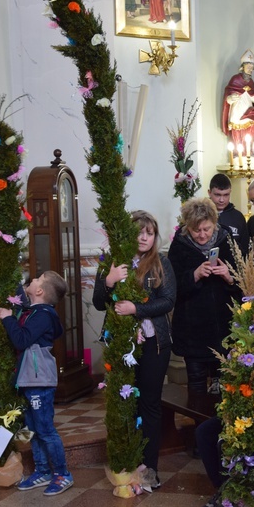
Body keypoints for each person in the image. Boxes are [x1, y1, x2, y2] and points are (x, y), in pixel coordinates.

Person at [91, 210, 176, 491]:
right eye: (139, 232)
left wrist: (136, 309)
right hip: (121, 344)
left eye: (149, 232)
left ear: (155, 237)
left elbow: (167, 300)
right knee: (124, 403)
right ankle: (126, 462)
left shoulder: (161, 262)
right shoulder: (113, 261)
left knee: (149, 403)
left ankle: (149, 467)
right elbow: (98, 302)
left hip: (154, 343)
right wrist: (109, 280)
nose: (144, 237)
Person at [0, 271, 73, 496]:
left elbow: (21, 339)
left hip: (40, 380)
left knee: (45, 429)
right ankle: (42, 470)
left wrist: (8, 318)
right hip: (29, 379)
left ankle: (62, 473)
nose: (32, 280)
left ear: (39, 291)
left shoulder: (43, 315)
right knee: (32, 429)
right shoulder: (34, 311)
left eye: (37, 279)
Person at [168, 198, 241, 394]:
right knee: (197, 381)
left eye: (207, 229)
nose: (202, 235)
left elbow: (243, 286)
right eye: (196, 230)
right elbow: (171, 286)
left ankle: (222, 424)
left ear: (214, 224)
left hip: (223, 326)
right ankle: (197, 424)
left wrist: (229, 276)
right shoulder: (179, 244)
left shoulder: (225, 238)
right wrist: (194, 275)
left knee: (225, 382)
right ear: (187, 227)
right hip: (193, 328)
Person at [221, 49, 254, 147]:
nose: (250, 70)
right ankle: (237, 153)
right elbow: (228, 96)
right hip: (237, 111)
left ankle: (249, 150)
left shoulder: (251, 82)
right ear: (242, 67)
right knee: (237, 131)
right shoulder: (235, 79)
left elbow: (253, 97)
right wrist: (230, 98)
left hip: (247, 111)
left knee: (253, 126)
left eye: (252, 68)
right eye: (248, 67)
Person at [208, 174, 249, 256]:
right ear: (209, 193)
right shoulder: (200, 214)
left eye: (226, 195)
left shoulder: (238, 217)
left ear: (230, 192)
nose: (222, 200)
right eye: (217, 195)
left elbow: (245, 249)